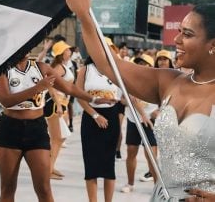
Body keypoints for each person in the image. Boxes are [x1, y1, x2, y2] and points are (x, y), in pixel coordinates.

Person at [66, 0, 215, 202]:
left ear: (212, 45)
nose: (176, 40)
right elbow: (109, 65)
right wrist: (85, 16)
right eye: (179, 31)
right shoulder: (169, 81)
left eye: (188, 34)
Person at [0, 53, 115, 202]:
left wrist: (93, 98)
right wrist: (37, 88)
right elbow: (6, 100)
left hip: (36, 128)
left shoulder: (41, 67)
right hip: (10, 128)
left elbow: (68, 87)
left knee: (44, 188)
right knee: (8, 188)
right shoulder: (2, 70)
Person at [76, 55, 122, 202]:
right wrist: (95, 115)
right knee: (91, 165)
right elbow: (78, 95)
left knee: (109, 164)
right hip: (91, 117)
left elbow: (124, 93)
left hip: (111, 117)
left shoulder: (115, 70)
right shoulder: (85, 70)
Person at [120, 54, 158, 193]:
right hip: (133, 120)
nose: (141, 65)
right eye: (139, 62)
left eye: (144, 63)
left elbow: (164, 100)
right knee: (131, 152)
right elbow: (123, 100)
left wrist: (158, 112)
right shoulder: (129, 81)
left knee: (152, 155)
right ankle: (130, 184)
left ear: (150, 66)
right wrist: (129, 101)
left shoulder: (156, 81)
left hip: (150, 121)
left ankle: (157, 186)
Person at [45, 40, 74, 180]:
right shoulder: (59, 67)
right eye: (67, 50)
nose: (70, 51)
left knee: (59, 138)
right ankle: (48, 170)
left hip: (60, 104)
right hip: (54, 104)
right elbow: (49, 84)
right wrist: (57, 103)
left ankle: (50, 166)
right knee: (57, 138)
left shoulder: (63, 66)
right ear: (62, 53)